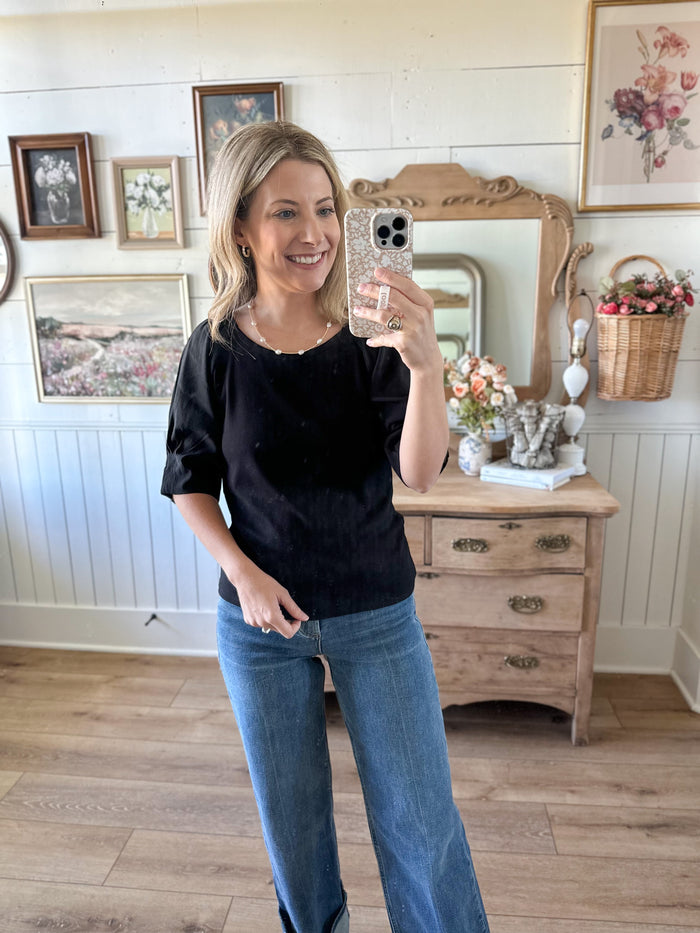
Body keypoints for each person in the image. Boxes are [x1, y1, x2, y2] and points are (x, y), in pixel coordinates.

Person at [161, 120, 490, 933]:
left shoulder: (376, 334)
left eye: (325, 208)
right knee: (295, 830)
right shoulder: (211, 350)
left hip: (378, 612)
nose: (313, 234)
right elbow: (188, 480)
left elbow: (417, 470)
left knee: (423, 826)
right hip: (261, 624)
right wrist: (242, 574)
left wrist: (427, 368)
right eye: (284, 213)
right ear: (239, 225)